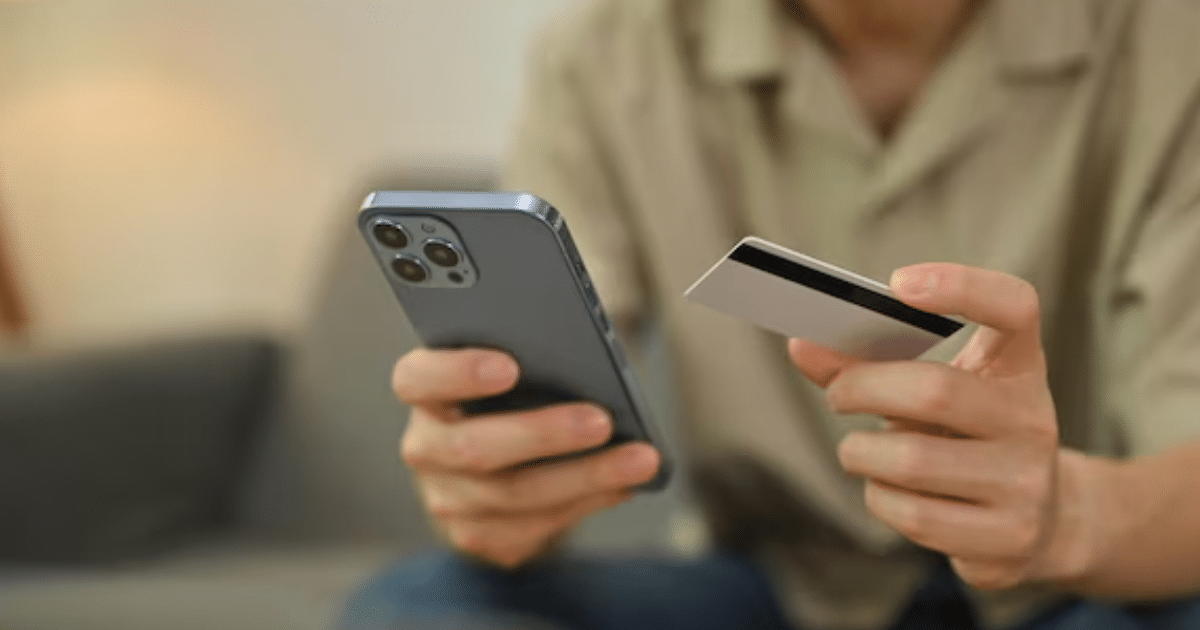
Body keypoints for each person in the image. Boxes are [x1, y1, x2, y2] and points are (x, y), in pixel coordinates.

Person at [340, 0, 1200, 628]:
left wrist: (1063, 518)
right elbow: (542, 386)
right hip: (779, 586)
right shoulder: (609, 50)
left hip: (1085, 591)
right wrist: (491, 485)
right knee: (419, 605)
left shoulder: (1169, 41)